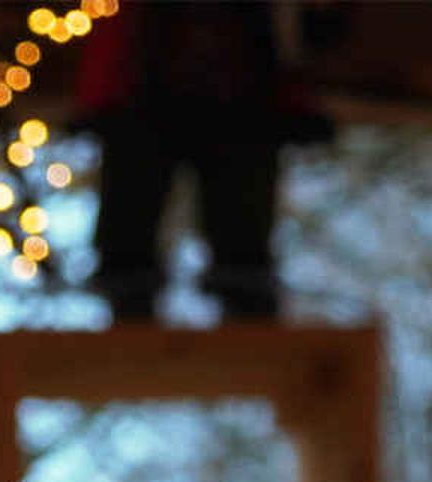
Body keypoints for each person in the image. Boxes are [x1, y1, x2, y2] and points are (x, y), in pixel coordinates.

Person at [75, 0, 332, 322]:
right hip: (153, 106)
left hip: (235, 108)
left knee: (241, 253)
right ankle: (130, 322)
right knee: (131, 250)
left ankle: (245, 322)